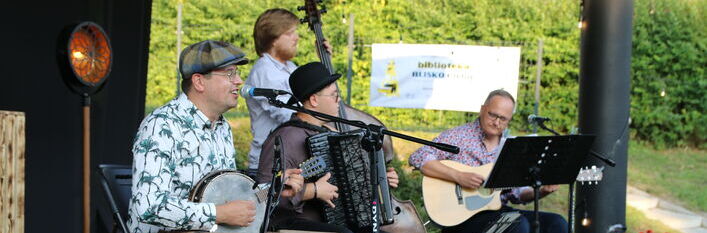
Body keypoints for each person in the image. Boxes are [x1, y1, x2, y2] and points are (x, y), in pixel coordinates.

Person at [128, 40, 304, 233]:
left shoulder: (222, 127)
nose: (238, 81)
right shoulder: (161, 125)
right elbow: (147, 206)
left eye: (237, 73)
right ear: (199, 81)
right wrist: (218, 213)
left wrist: (273, 190)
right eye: (230, 73)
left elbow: (231, 200)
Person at [256, 62, 399, 233]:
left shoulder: (332, 133)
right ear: (314, 100)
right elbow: (261, 197)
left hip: (339, 222)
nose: (339, 101)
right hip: (293, 225)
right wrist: (312, 191)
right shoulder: (285, 138)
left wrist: (379, 180)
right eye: (334, 95)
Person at [408, 89, 568, 233]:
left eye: (503, 119)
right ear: (482, 109)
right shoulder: (459, 136)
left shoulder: (511, 147)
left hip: (497, 211)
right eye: (493, 115)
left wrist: (542, 191)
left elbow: (517, 194)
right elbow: (418, 157)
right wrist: (458, 176)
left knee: (556, 223)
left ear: (509, 120)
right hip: (461, 218)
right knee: (519, 225)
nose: (497, 122)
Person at [244, 8, 332, 178]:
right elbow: (291, 115)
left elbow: (317, 94)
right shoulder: (265, 71)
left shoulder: (289, 67)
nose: (296, 37)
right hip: (270, 166)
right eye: (290, 33)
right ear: (274, 39)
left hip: (289, 160)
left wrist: (324, 61)